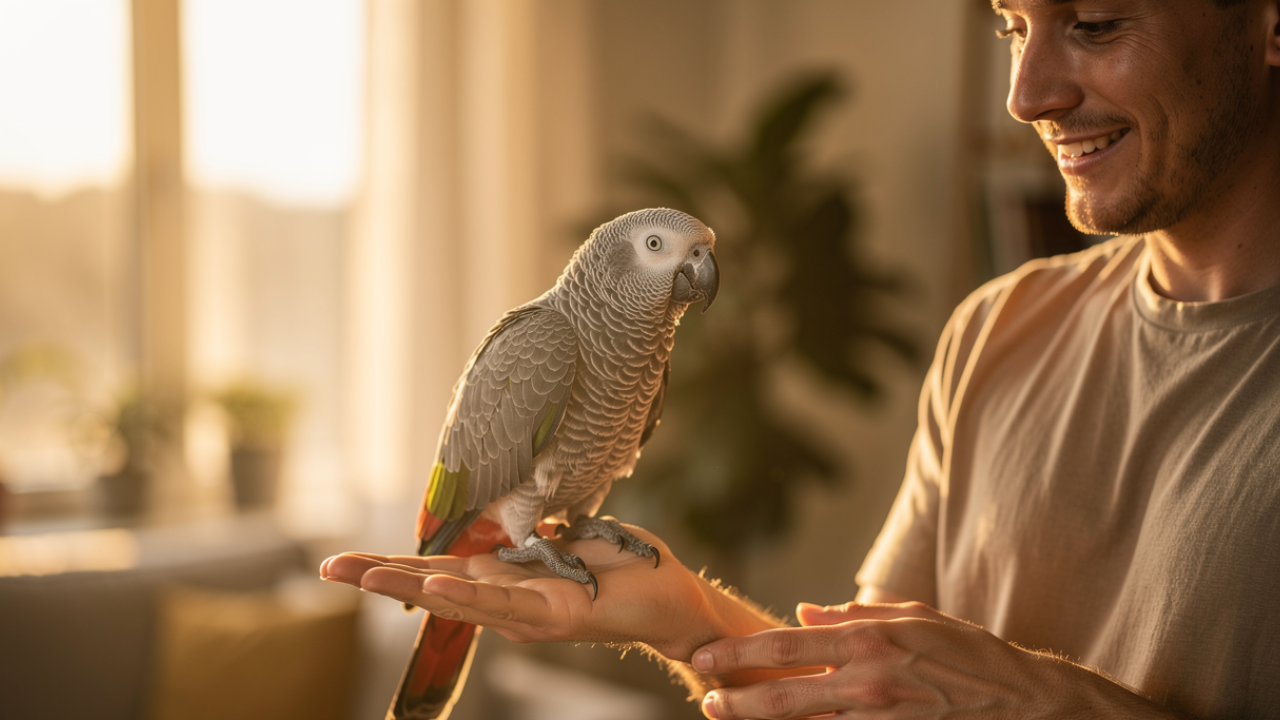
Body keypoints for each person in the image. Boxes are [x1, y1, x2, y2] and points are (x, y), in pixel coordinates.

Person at [322, 1, 1280, 717]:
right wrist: (687, 616)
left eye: (1098, 23)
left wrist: (1050, 705)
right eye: (1010, 27)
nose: (1027, 94)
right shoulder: (1000, 328)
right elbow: (861, 690)